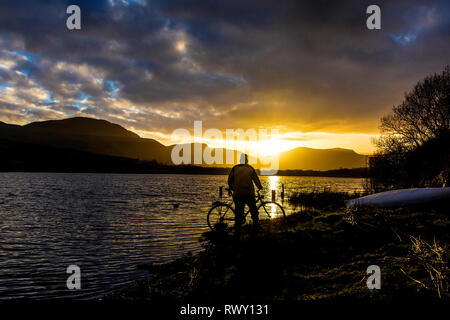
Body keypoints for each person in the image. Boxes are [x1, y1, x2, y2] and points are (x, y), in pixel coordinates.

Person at [228, 153, 263, 230]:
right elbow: (256, 180)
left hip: (238, 194)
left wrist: (233, 188)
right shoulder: (250, 168)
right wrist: (260, 187)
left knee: (238, 212)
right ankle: (256, 225)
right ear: (247, 160)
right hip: (249, 193)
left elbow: (229, 180)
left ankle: (237, 228)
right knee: (253, 210)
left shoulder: (235, 168)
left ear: (240, 160)